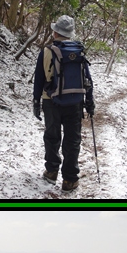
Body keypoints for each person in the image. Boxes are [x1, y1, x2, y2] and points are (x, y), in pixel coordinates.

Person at [33, 15, 95, 193]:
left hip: (50, 100)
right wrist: (89, 101)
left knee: (52, 136)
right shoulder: (79, 52)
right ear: (69, 34)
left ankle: (51, 171)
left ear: (55, 32)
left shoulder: (46, 51)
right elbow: (87, 80)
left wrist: (36, 101)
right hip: (75, 102)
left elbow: (39, 78)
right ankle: (70, 180)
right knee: (72, 140)